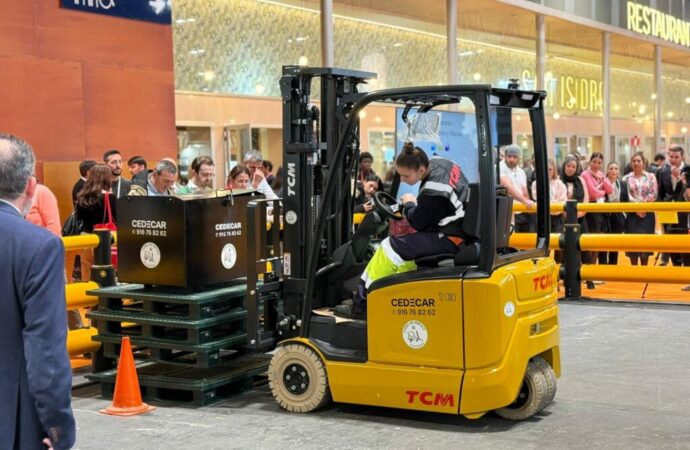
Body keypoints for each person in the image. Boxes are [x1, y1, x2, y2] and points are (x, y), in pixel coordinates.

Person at [0, 133, 76, 450]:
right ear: (31, 187)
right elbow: (45, 351)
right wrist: (58, 427)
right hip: (13, 419)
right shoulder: (38, 247)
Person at [335, 143, 469, 318]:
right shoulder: (439, 162)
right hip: (455, 229)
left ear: (421, 170)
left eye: (406, 176)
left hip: (450, 237)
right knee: (405, 252)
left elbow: (419, 222)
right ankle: (389, 297)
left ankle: (361, 306)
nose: (403, 180)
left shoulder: (435, 191)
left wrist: (410, 205)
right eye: (400, 175)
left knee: (388, 247)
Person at [560, 154, 593, 288]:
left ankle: (589, 278)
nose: (571, 169)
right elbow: (558, 199)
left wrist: (580, 213)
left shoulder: (581, 180)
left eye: (573, 166)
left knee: (585, 247)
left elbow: (586, 198)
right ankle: (565, 277)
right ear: (564, 166)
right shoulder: (558, 180)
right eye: (568, 166)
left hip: (581, 217)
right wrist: (567, 215)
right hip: (564, 219)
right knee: (565, 248)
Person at [622, 152, 658, 266]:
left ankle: (644, 269)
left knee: (646, 243)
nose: (636, 163)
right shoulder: (626, 178)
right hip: (632, 213)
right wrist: (637, 207)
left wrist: (644, 206)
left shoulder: (651, 176)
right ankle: (634, 270)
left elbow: (654, 193)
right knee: (633, 243)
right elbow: (626, 195)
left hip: (647, 213)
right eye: (634, 161)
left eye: (639, 161)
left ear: (644, 163)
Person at [657, 146, 689, 267]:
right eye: (671, 157)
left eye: (677, 157)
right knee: (671, 243)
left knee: (685, 244)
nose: (673, 159)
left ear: (682, 157)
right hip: (668, 211)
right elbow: (660, 193)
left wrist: (681, 178)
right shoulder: (663, 171)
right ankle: (676, 270)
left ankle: (687, 275)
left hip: (685, 213)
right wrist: (659, 211)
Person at [581, 152, 613, 267]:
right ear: (590, 162)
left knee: (598, 242)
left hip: (601, 209)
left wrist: (603, 179)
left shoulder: (601, 174)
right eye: (594, 161)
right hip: (591, 209)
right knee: (591, 241)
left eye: (599, 163)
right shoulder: (585, 174)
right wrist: (602, 192)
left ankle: (593, 270)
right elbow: (592, 192)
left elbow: (610, 189)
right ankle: (588, 270)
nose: (596, 164)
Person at [599, 161, 628, 265]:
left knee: (614, 244)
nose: (613, 171)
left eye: (616, 169)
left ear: (619, 171)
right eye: (611, 168)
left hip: (618, 217)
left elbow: (626, 201)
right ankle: (602, 267)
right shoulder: (602, 183)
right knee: (603, 244)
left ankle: (612, 266)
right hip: (605, 217)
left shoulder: (623, 184)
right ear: (607, 170)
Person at [532, 158, 567, 239]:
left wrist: (552, 203)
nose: (547, 172)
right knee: (544, 241)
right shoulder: (536, 184)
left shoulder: (560, 183)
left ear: (554, 170)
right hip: (543, 216)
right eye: (545, 169)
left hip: (558, 217)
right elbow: (538, 199)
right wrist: (555, 202)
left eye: (550, 169)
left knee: (558, 241)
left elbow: (563, 200)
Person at [500, 145, 532, 232]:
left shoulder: (521, 172)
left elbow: (524, 191)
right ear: (505, 156)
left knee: (524, 242)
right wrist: (525, 201)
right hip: (507, 212)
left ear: (519, 158)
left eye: (514, 157)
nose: (511, 159)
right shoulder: (499, 167)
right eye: (509, 156)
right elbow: (508, 188)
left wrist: (529, 206)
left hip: (521, 211)